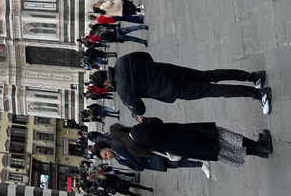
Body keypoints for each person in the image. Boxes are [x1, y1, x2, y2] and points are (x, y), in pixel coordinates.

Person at [90, 52, 272, 115]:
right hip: (171, 71)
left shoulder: (122, 91)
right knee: (211, 75)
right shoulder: (121, 60)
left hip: (172, 89)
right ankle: (253, 76)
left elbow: (140, 109)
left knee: (214, 90)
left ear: (105, 84)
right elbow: (146, 57)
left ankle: (259, 94)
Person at [111, 118, 272, 173]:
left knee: (223, 149)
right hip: (185, 136)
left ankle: (259, 151)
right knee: (224, 136)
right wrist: (145, 120)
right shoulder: (137, 132)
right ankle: (260, 146)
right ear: (122, 128)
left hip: (184, 147)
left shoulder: (135, 146)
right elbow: (158, 123)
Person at [92, 138, 208, 175]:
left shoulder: (119, 146)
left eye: (105, 154)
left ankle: (200, 155)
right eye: (105, 158)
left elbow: (135, 156)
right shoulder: (118, 159)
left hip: (152, 155)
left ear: (106, 148)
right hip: (151, 164)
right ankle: (200, 163)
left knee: (177, 159)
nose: (107, 157)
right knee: (176, 164)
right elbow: (133, 166)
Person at [87, 172, 153, 196]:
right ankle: (148, 189)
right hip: (120, 183)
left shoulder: (100, 184)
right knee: (135, 185)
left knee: (132, 194)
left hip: (118, 189)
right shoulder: (103, 176)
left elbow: (107, 188)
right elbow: (113, 177)